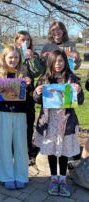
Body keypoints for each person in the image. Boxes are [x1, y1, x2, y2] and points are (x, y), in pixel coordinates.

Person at [33, 50, 84, 197]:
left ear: (65, 62)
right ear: (50, 62)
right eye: (55, 61)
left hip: (65, 121)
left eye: (61, 61)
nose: (57, 64)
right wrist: (37, 92)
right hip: (49, 122)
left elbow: (80, 101)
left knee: (62, 152)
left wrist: (79, 91)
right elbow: (37, 100)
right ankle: (53, 180)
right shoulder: (44, 78)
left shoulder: (71, 78)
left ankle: (63, 180)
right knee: (51, 150)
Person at [0, 46, 31, 190]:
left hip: (21, 112)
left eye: (16, 57)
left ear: (19, 59)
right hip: (4, 112)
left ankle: (21, 176)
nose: (13, 60)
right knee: (4, 144)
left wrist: (28, 84)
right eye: (10, 57)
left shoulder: (23, 73)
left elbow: (30, 93)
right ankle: (7, 177)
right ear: (4, 58)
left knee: (21, 145)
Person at [14, 31, 45, 158]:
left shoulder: (34, 55)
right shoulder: (12, 53)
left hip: (29, 93)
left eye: (28, 40)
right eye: (22, 40)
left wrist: (31, 58)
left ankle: (27, 145)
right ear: (17, 41)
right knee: (16, 121)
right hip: (14, 92)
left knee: (29, 119)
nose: (26, 42)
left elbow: (38, 72)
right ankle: (16, 146)